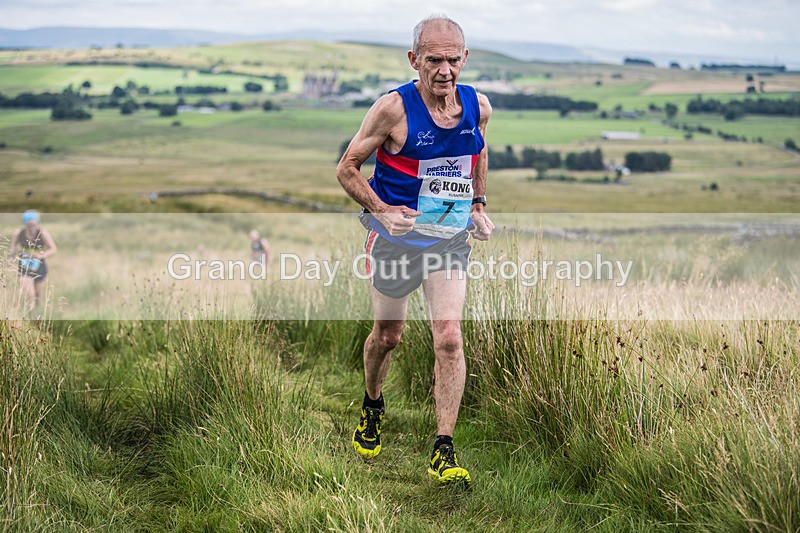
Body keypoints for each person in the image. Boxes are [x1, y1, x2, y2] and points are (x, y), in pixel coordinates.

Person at [336, 14, 494, 487]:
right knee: (389, 336)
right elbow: (346, 169)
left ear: (464, 59)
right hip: (394, 242)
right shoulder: (393, 109)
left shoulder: (478, 107)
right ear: (414, 60)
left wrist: (479, 204)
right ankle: (372, 404)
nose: (444, 71)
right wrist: (382, 209)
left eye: (452, 60)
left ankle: (443, 448)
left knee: (448, 337)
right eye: (433, 60)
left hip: (447, 241)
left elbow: (478, 150)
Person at [8, 210, 57, 315]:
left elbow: (53, 249)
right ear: (25, 225)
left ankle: (36, 314)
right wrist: (11, 259)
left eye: (34, 225)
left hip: (39, 265)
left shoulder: (43, 233)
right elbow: (13, 249)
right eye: (28, 226)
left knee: (38, 295)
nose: (31, 229)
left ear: (38, 223)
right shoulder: (19, 233)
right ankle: (28, 313)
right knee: (31, 294)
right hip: (24, 264)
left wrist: (41, 255)